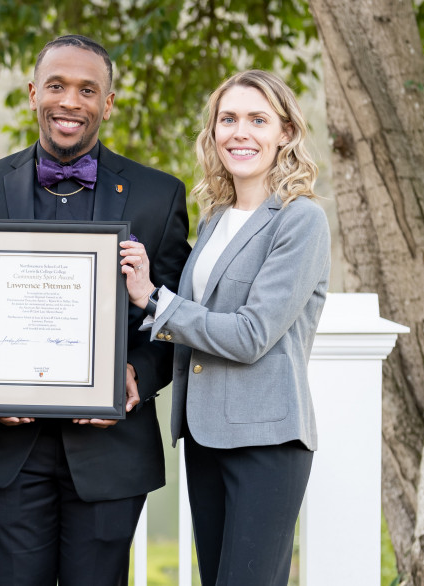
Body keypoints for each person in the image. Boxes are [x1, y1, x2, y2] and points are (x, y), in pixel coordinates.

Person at [0, 35, 190, 585]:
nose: (70, 102)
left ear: (107, 104)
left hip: (110, 449)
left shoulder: (160, 196)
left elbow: (174, 316)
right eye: (57, 86)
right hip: (7, 446)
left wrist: (137, 374)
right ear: (34, 93)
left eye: (88, 90)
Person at [121, 69, 330, 585]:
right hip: (206, 436)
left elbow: (251, 333)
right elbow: (198, 322)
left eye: (258, 119)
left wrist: (153, 299)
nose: (241, 132)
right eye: (228, 118)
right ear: (213, 131)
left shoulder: (300, 220)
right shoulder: (214, 216)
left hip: (266, 441)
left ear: (285, 132)